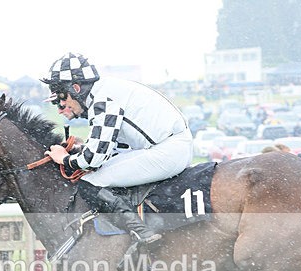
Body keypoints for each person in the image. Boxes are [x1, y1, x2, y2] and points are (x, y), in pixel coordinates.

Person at [41, 52, 193, 244]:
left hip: (167, 152)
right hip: (171, 147)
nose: (61, 106)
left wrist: (63, 158)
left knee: (90, 183)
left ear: (77, 88)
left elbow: (93, 160)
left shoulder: (102, 100)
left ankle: (141, 232)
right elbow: (115, 148)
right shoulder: (106, 90)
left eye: (62, 97)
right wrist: (82, 149)